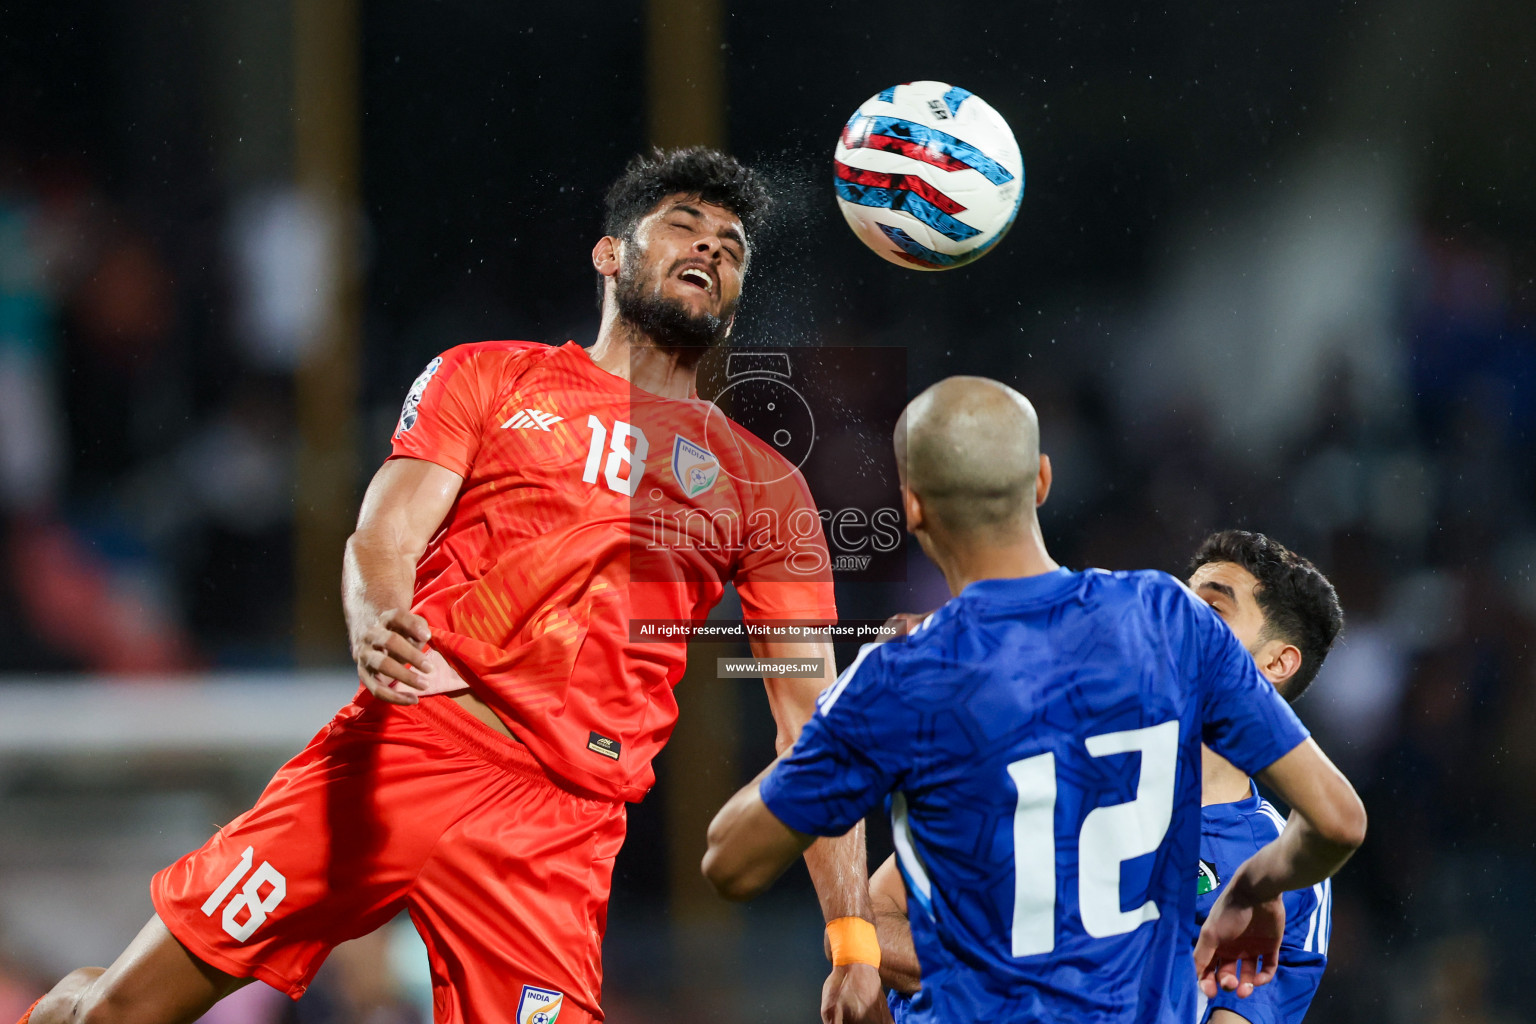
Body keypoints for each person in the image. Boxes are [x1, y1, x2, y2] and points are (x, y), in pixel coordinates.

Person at [20, 148, 887, 1024]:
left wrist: (851, 936)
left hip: (554, 833)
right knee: (124, 1016)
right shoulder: (490, 375)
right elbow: (387, 531)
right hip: (408, 750)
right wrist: (376, 615)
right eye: (684, 228)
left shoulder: (764, 486)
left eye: (732, 248)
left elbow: (811, 727)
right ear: (611, 255)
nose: (711, 251)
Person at [701, 376, 1367, 1024]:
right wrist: (1255, 888)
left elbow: (730, 861)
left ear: (911, 508)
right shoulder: (1165, 620)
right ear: (1042, 481)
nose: (1199, 605)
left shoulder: (911, 679)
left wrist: (843, 716)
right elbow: (1339, 819)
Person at [867, 528, 1345, 1024]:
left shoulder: (1279, 869)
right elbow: (873, 915)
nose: (1175, 620)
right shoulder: (1046, 747)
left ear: (1276, 663)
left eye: (1211, 609)